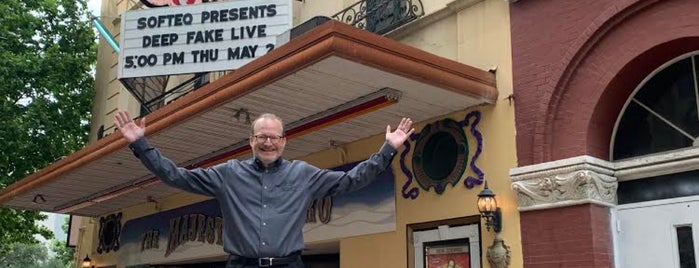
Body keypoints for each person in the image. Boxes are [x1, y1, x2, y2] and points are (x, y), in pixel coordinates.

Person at [114, 110, 414, 268]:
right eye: (261, 137)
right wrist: (140, 144)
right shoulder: (228, 174)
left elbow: (352, 180)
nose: (268, 142)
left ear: (284, 141)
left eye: (274, 137)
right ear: (251, 141)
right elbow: (176, 176)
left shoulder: (303, 174)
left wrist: (387, 150)